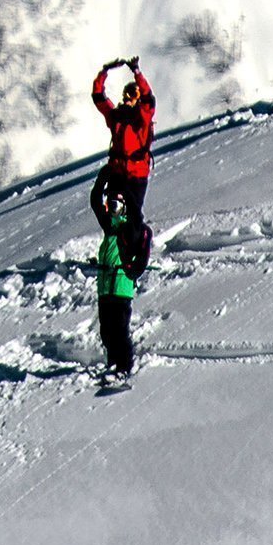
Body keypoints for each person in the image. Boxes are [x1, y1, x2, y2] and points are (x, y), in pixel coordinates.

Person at [90, 57, 155, 226]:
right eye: (126, 93)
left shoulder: (143, 117)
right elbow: (98, 97)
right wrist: (104, 71)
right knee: (114, 211)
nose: (127, 97)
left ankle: (135, 248)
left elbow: (149, 99)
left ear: (137, 99)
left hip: (136, 173)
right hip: (118, 171)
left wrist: (137, 73)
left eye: (132, 94)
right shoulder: (116, 116)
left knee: (133, 216)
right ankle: (114, 247)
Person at [93, 181, 139, 378]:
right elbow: (94, 202)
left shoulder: (130, 228)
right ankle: (113, 363)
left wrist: (127, 193)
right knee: (106, 331)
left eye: (116, 205)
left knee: (120, 331)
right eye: (110, 205)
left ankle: (126, 366)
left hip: (121, 287)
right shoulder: (108, 226)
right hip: (105, 288)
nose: (112, 209)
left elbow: (137, 215)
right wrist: (102, 178)